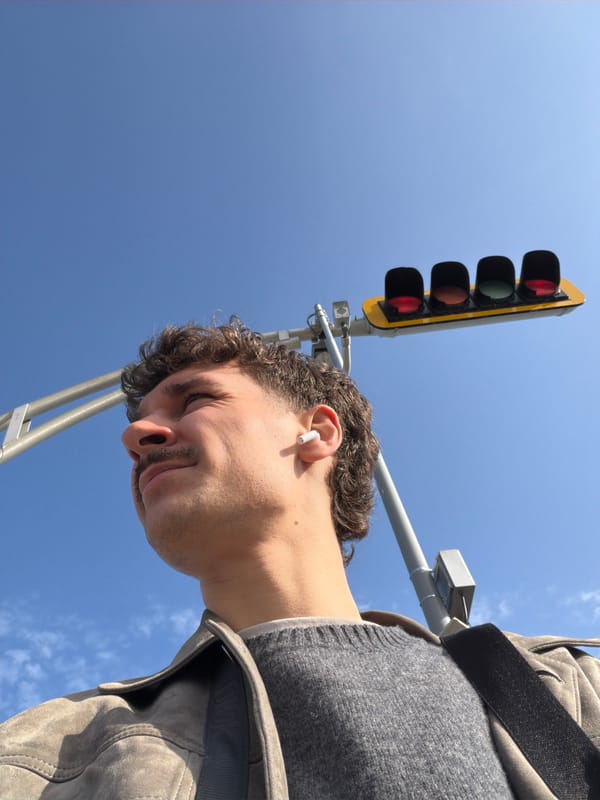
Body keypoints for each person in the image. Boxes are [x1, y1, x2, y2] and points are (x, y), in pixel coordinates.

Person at [1, 322, 599, 799]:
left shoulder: (561, 689)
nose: (138, 437)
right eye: (137, 424)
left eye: (195, 399)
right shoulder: (50, 753)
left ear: (317, 431)